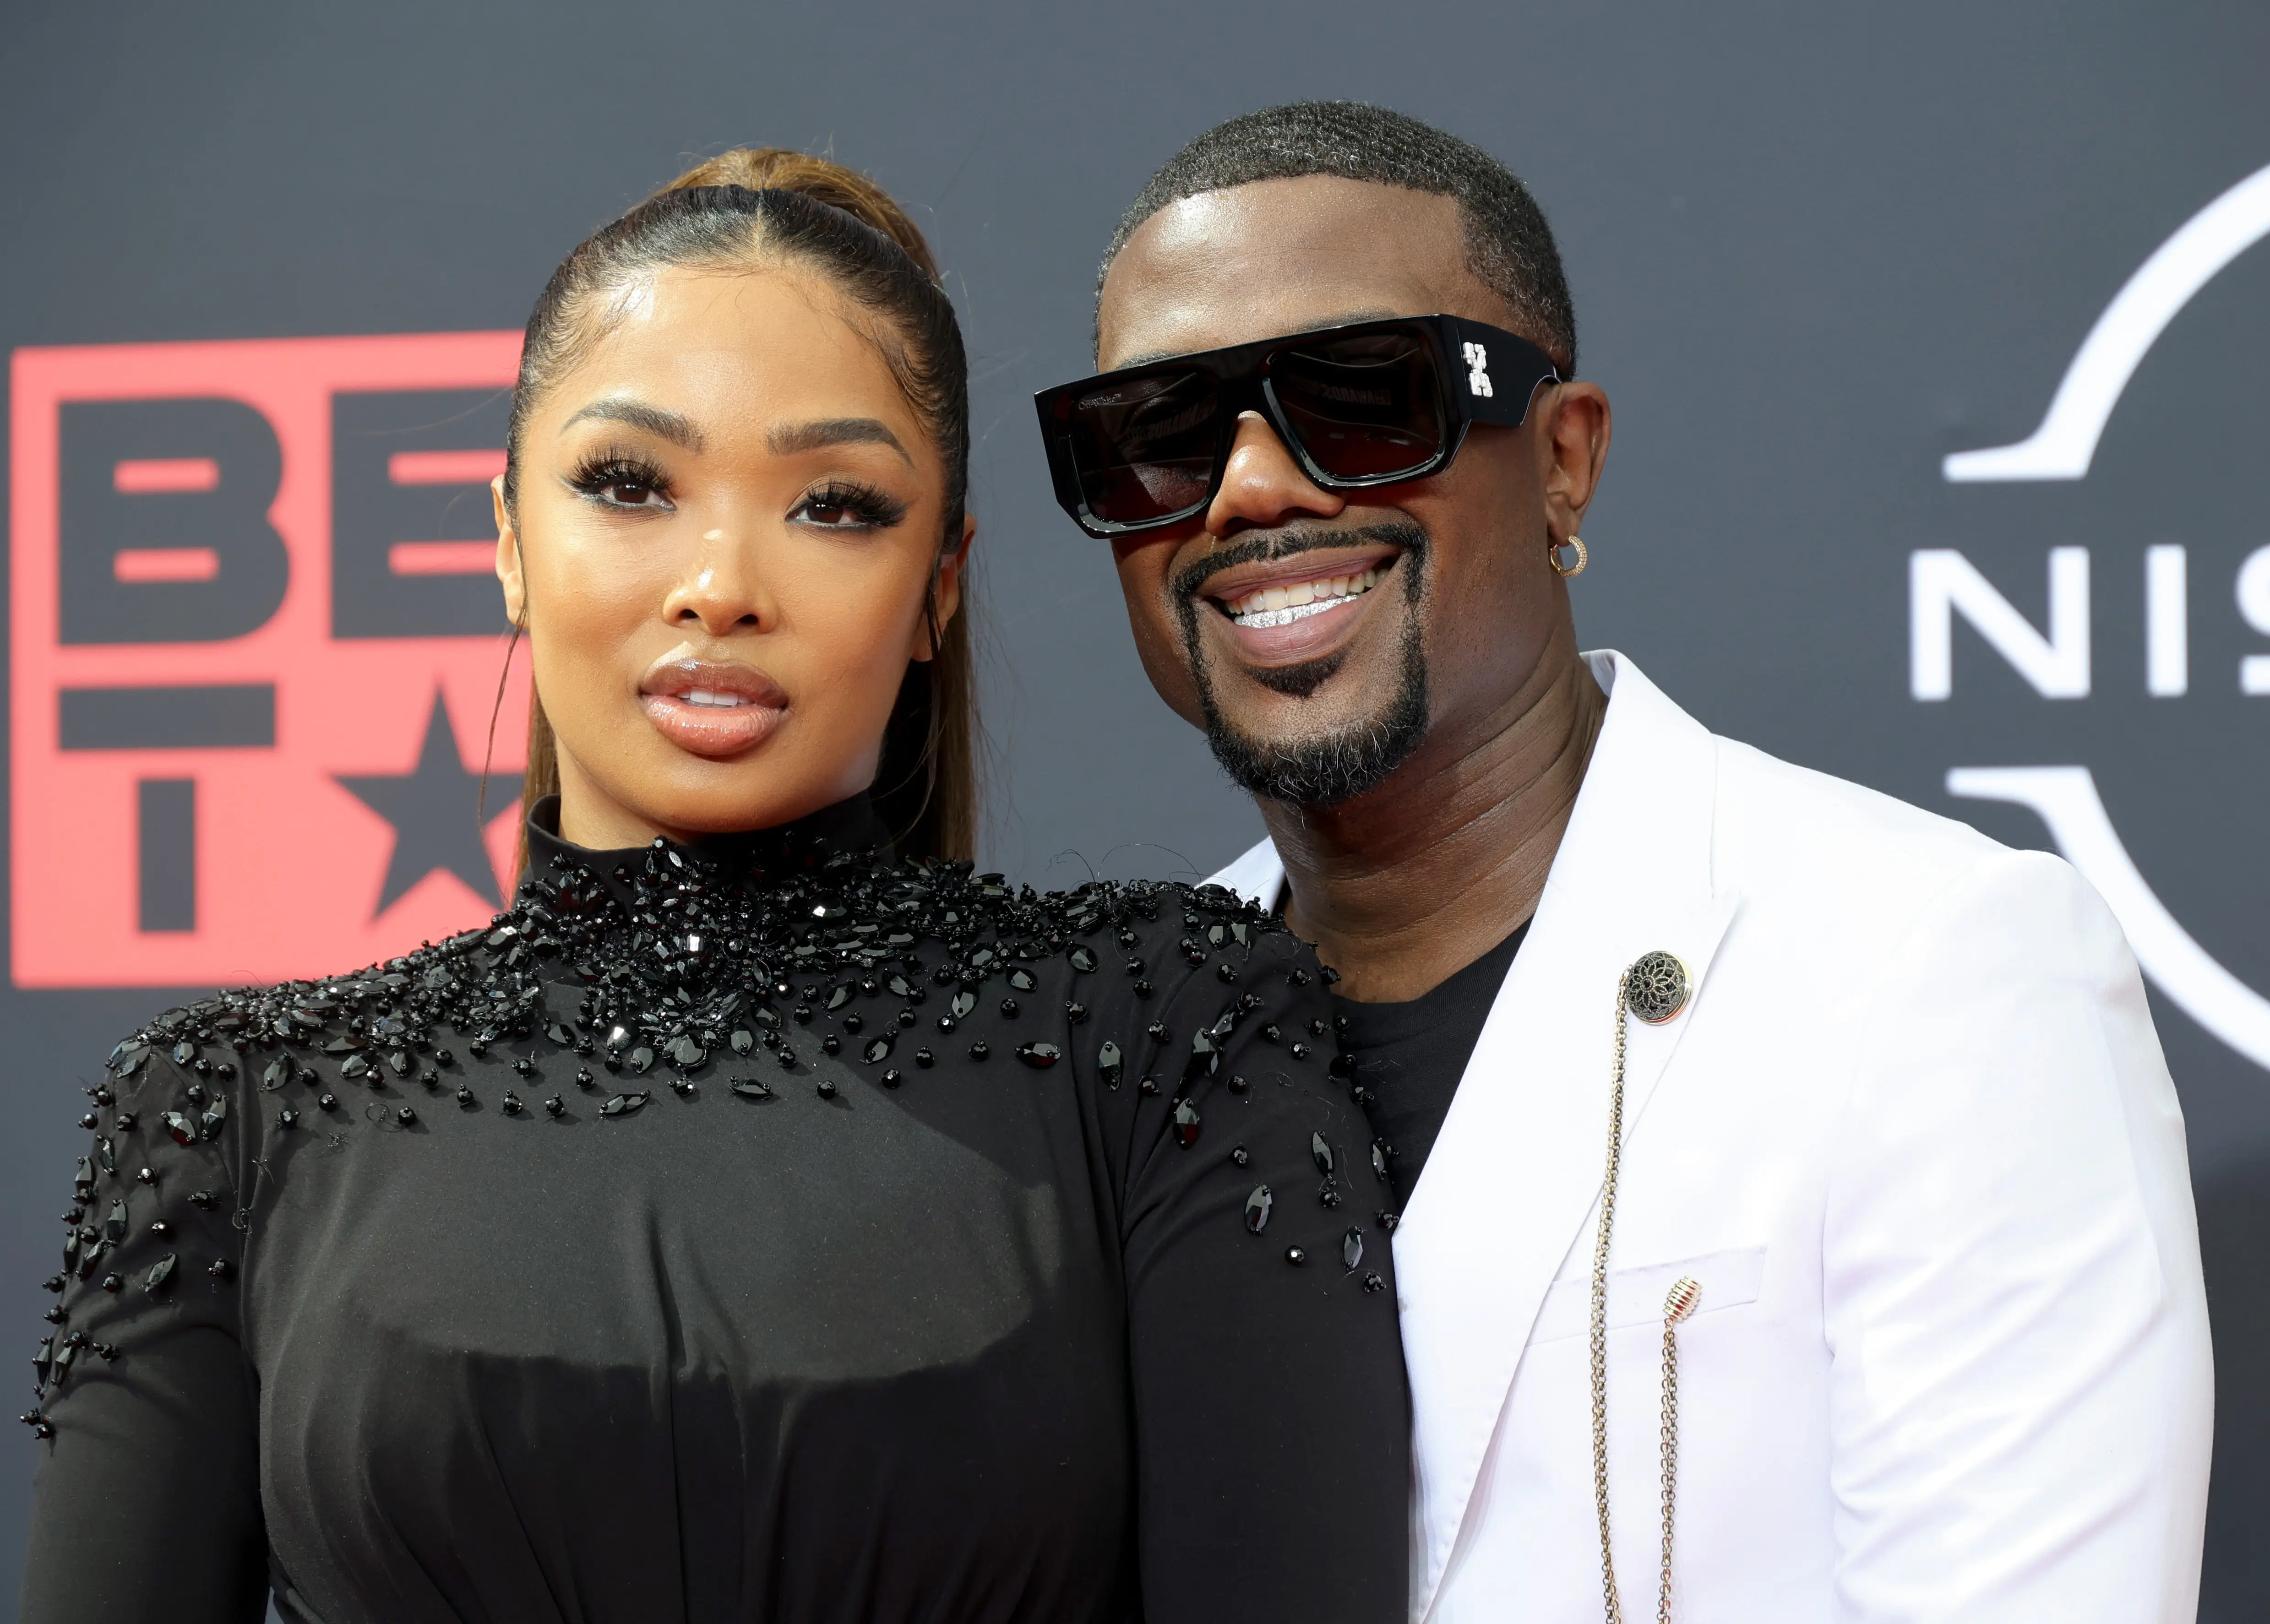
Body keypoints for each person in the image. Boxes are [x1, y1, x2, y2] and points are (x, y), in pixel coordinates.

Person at [22, 148, 1407, 1624]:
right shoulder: (229, 1109)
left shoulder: (1170, 1020)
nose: (721, 581)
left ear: (940, 584)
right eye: (629, 483)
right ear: (504, 537)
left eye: (836, 505)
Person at [1042, 103, 2213, 1623]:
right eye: (1164, 438)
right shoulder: (1110, 1049)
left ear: (1563, 460)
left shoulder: (1933, 969)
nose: (1253, 489)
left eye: (1362, 398)